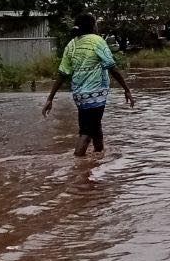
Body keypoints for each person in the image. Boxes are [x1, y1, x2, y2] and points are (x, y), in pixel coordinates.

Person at [43, 12, 133, 156]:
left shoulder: (71, 44)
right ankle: (77, 164)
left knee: (95, 126)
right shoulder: (97, 41)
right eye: (96, 23)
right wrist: (127, 89)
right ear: (92, 25)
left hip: (79, 96)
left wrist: (50, 98)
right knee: (87, 131)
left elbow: (62, 74)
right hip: (95, 94)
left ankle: (98, 156)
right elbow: (112, 67)